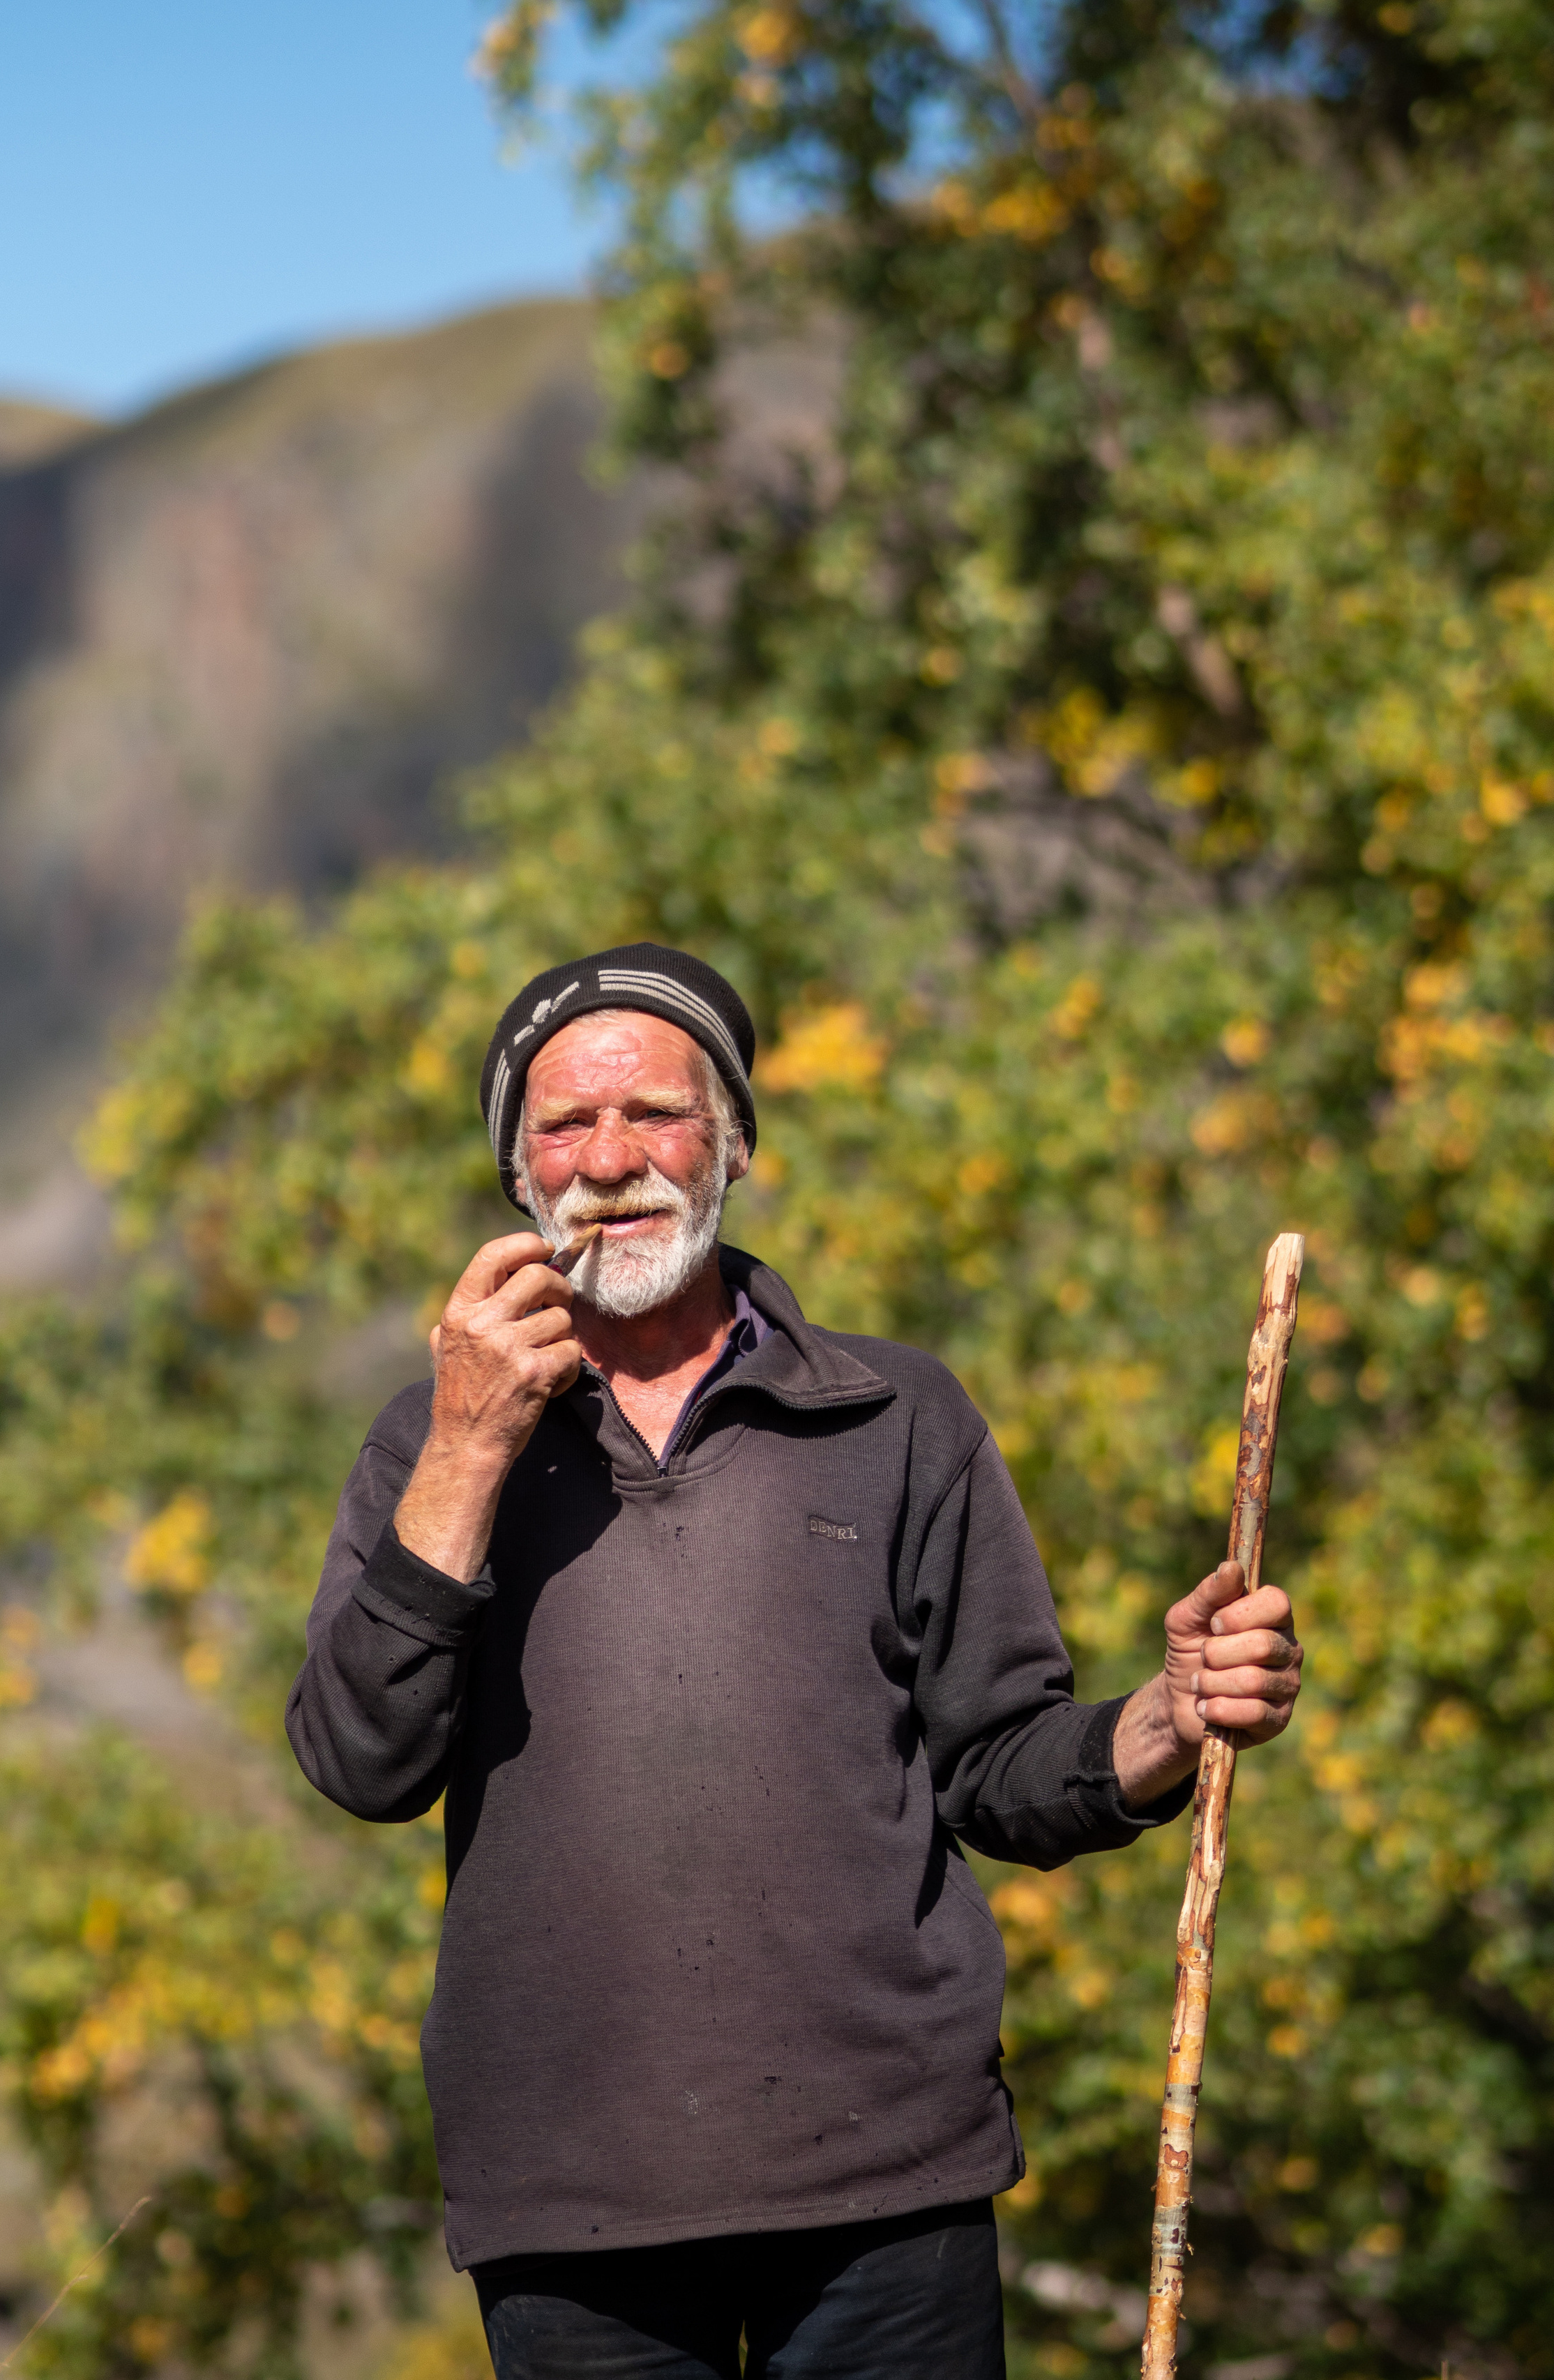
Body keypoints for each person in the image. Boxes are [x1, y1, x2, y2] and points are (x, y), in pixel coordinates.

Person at [287, 943, 1304, 2380]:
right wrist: (466, 1445)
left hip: (890, 2179)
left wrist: (1166, 1718)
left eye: (656, 1112)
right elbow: (358, 1762)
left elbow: (1001, 1767)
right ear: (517, 1182)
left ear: (737, 1145)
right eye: (564, 1127)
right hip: (570, 2197)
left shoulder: (894, 1416)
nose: (610, 1159)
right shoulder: (429, 1442)